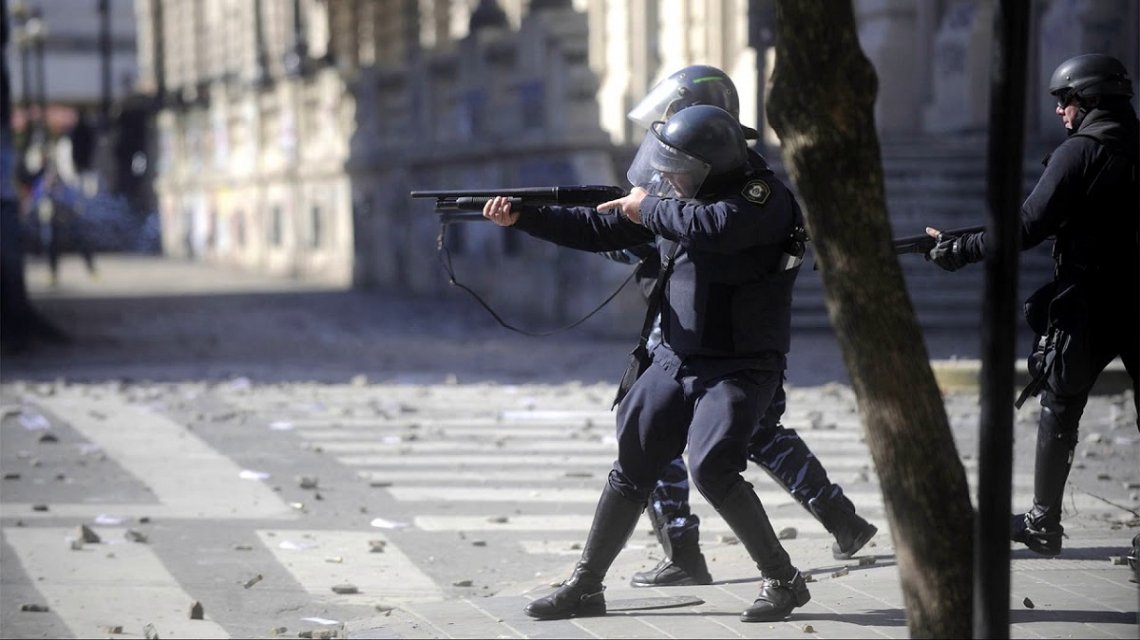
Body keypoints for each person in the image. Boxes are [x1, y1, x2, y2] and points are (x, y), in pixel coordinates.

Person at [485, 104, 812, 623]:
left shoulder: (761, 197)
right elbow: (598, 229)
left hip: (740, 364)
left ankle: (783, 580)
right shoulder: (676, 200)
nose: (670, 179)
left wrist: (647, 207)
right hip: (675, 357)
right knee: (632, 462)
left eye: (679, 170)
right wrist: (524, 216)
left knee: (712, 467)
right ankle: (586, 586)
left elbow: (716, 228)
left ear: (713, 163)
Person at [601, 66, 876, 587]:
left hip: (703, 336)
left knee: (657, 437)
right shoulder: (719, 168)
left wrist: (637, 224)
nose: (665, 127)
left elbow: (684, 234)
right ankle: (842, 518)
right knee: (758, 434)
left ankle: (683, 549)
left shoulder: (731, 183)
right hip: (735, 337)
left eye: (674, 115)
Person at [924, 53, 1138, 557]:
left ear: (1090, 99)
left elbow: (1025, 227)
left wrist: (962, 248)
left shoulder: (1081, 151)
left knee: (1060, 404)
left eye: (1066, 100)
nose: (1061, 111)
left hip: (1091, 301)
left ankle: (1043, 523)